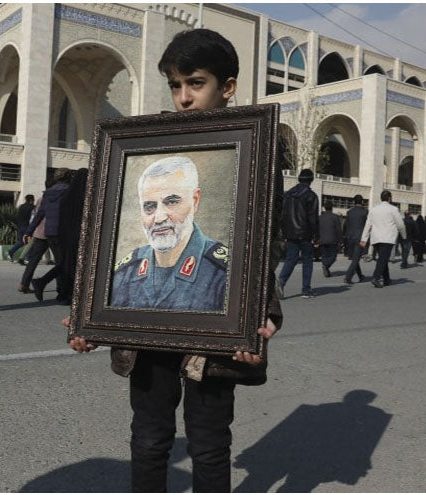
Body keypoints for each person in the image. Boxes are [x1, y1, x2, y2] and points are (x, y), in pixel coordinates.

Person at [67, 28, 282, 493]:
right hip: (147, 346)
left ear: (228, 86)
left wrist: (261, 315)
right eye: (175, 85)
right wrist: (87, 317)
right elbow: (98, 240)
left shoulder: (255, 150)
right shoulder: (143, 142)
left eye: (196, 83)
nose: (184, 97)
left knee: (208, 443)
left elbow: (264, 243)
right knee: (148, 440)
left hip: (214, 343)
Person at [111, 157, 228, 310]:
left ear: (195, 201)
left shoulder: (224, 274)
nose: (159, 218)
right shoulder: (123, 274)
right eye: (149, 206)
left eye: (172, 202)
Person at [27, 168, 73, 302]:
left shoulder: (47, 193)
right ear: (68, 178)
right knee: (65, 263)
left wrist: (29, 231)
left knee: (61, 262)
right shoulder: (69, 191)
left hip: (50, 232)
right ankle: (49, 286)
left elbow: (40, 214)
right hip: (64, 232)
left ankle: (61, 292)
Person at [277, 168, 320, 298]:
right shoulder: (311, 196)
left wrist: (284, 233)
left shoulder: (288, 194)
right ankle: (306, 290)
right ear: (311, 180)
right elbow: (313, 218)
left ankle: (281, 281)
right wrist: (316, 236)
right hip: (305, 233)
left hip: (290, 233)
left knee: (291, 258)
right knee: (307, 260)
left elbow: (282, 215)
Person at [360, 190, 405, 288]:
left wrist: (364, 239)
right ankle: (376, 277)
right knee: (383, 259)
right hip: (388, 238)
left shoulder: (373, 209)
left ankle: (387, 279)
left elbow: (368, 225)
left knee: (383, 258)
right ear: (389, 198)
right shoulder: (393, 209)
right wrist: (404, 236)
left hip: (375, 238)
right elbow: (400, 225)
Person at [57, 168, 89, 305]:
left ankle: (63, 293)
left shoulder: (65, 198)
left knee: (66, 265)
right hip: (80, 238)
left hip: (64, 237)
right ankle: (75, 295)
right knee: (78, 266)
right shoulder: (87, 199)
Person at [18, 192, 51, 292]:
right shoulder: (64, 195)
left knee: (33, 260)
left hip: (39, 232)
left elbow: (37, 216)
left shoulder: (41, 199)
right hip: (54, 232)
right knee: (62, 262)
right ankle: (61, 289)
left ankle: (24, 284)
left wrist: (30, 230)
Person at [343, 194, 368, 284]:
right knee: (356, 259)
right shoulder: (365, 212)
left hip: (350, 237)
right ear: (362, 202)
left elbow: (346, 225)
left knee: (355, 257)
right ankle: (348, 277)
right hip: (360, 238)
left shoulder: (349, 212)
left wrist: (345, 237)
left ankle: (360, 276)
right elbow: (368, 225)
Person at [6, 194, 35, 262]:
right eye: (33, 199)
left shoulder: (21, 206)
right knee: (30, 243)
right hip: (27, 227)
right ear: (31, 200)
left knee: (22, 242)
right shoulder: (32, 207)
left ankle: (10, 252)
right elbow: (33, 218)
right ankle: (28, 258)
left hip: (20, 226)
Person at [318, 203, 343, 277]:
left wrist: (316, 239)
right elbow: (338, 229)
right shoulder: (335, 217)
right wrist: (341, 240)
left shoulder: (320, 217)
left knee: (324, 255)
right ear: (332, 208)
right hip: (332, 240)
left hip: (322, 240)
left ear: (324, 208)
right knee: (333, 256)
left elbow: (316, 229)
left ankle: (326, 269)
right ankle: (326, 266)